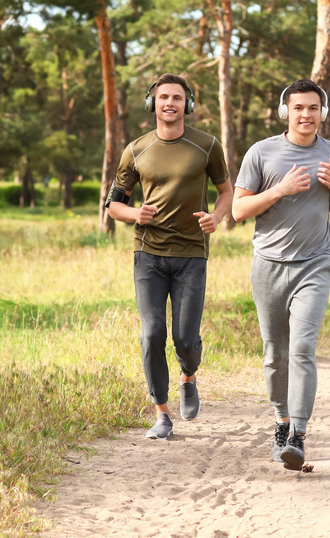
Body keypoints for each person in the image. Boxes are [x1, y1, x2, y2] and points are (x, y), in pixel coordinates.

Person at [231, 78, 330, 470]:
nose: (306, 115)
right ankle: (281, 422)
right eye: (298, 108)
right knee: (275, 355)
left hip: (315, 264)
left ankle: (298, 433)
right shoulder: (261, 153)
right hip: (268, 266)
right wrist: (279, 190)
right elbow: (238, 211)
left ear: (323, 113)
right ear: (286, 112)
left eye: (313, 108)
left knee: (303, 349)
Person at [106, 73, 232, 440]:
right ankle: (161, 413)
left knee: (186, 340)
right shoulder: (137, 149)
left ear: (187, 104)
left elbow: (226, 192)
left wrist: (216, 217)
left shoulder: (207, 146)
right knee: (151, 334)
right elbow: (114, 205)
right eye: (163, 97)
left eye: (177, 98)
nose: (170, 104)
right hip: (149, 254)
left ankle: (188, 376)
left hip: (192, 253)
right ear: (153, 103)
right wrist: (135, 214)